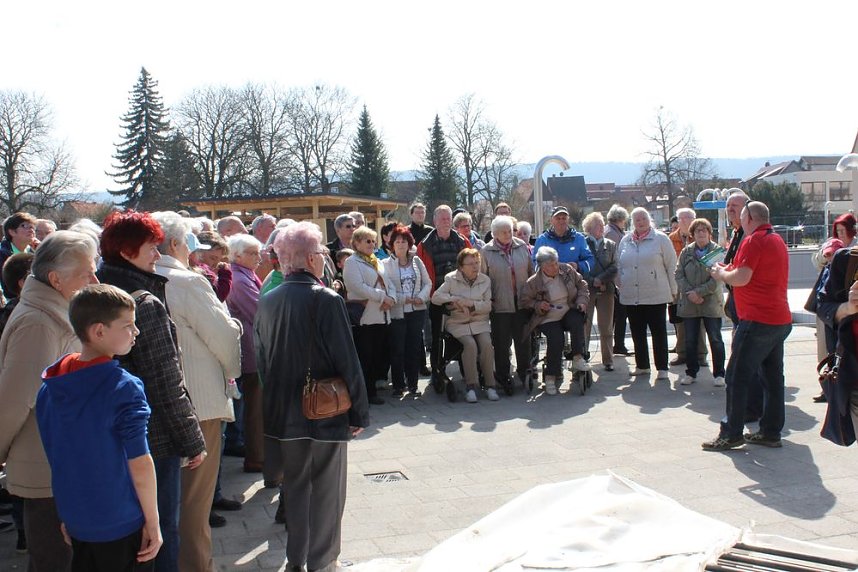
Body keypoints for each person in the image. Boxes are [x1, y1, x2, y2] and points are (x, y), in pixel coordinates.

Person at [254, 221, 370, 572]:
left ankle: (295, 560)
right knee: (327, 492)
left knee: (296, 489)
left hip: (284, 412)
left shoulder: (269, 298)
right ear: (308, 258)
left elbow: (262, 358)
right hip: (324, 409)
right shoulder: (326, 298)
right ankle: (323, 562)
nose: (324, 258)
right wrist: (359, 414)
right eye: (321, 253)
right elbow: (346, 359)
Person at [97, 211, 206, 572]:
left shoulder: (95, 294)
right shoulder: (143, 303)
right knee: (160, 531)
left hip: (108, 436)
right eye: (151, 247)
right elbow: (165, 381)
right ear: (127, 251)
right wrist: (192, 439)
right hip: (153, 440)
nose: (158, 255)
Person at [36, 284, 161, 572]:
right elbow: (140, 462)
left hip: (79, 518)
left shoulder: (51, 386)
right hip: (121, 520)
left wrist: (70, 512)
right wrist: (154, 522)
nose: (136, 332)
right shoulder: (123, 388)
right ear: (99, 331)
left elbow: (56, 455)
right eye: (128, 325)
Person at [0, 230, 98, 571]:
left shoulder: (52, 311)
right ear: (56, 279)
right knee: (54, 560)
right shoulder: (39, 323)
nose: (95, 279)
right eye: (87, 272)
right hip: (45, 469)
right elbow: (13, 401)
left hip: (60, 463)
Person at [152, 212, 242, 570]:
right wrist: (232, 372)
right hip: (198, 404)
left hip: (162, 403)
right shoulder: (187, 282)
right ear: (175, 243)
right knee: (193, 502)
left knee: (165, 498)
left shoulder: (141, 277)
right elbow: (222, 336)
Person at [704, 201, 792, 451]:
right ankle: (770, 431)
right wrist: (727, 268)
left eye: (742, 217)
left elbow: (742, 277)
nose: (739, 221)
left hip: (757, 320)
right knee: (773, 378)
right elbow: (746, 270)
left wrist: (721, 274)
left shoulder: (754, 240)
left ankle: (731, 433)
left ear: (750, 218)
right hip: (778, 319)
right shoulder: (775, 239)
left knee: (736, 376)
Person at [417, 205, 471, 401]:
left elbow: (472, 266)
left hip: (460, 296)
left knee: (464, 332)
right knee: (437, 338)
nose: (445, 221)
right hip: (437, 298)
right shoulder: (425, 245)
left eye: (448, 218)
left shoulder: (462, 241)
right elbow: (422, 274)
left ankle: (467, 370)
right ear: (435, 221)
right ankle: (437, 371)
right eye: (441, 218)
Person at [616, 208, 677, 380]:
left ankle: (662, 367)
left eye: (643, 218)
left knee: (658, 331)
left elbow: (671, 266)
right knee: (637, 331)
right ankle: (642, 365)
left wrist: (674, 290)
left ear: (649, 219)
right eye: (636, 220)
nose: (640, 222)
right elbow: (619, 264)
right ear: (632, 223)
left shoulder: (661, 239)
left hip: (656, 294)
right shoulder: (626, 240)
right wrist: (620, 282)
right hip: (631, 295)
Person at [520, 246, 591, 395]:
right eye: (550, 265)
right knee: (556, 338)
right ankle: (551, 377)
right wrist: (538, 305)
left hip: (568, 308)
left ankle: (578, 357)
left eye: (555, 263)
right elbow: (524, 301)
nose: (554, 267)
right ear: (542, 266)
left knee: (577, 320)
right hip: (547, 316)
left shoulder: (567, 270)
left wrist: (582, 301)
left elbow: (582, 285)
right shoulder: (533, 282)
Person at [431, 248, 497, 403]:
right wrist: (454, 299)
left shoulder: (485, 280)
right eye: (471, 264)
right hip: (458, 322)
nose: (475, 267)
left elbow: (488, 305)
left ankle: (490, 385)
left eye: (477, 263)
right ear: (461, 267)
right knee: (470, 344)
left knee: (487, 344)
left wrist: (471, 304)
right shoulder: (451, 278)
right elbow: (435, 297)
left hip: (479, 321)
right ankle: (471, 386)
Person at [722, 190, 764, 421]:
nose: (731, 210)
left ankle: (750, 409)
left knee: (746, 360)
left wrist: (724, 273)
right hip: (739, 303)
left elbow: (745, 273)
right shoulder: (738, 233)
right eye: (728, 206)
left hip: (751, 307)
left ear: (748, 210)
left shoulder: (752, 238)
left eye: (735, 206)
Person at [343, 226, 396, 405]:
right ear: (356, 243)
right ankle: (366, 393)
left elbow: (388, 282)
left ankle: (372, 389)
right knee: (365, 355)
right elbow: (357, 287)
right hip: (365, 317)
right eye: (367, 241)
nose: (372, 244)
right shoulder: (352, 262)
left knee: (377, 354)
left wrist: (392, 298)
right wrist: (383, 297)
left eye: (373, 241)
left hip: (381, 315)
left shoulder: (376, 260)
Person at [226, 234, 265, 473]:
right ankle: (256, 457)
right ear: (237, 255)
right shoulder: (239, 280)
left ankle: (258, 455)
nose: (258, 258)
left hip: (253, 347)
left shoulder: (245, 275)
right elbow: (259, 311)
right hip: (250, 351)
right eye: (252, 253)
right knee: (255, 408)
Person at [481, 215, 533, 387]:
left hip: (521, 302)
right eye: (503, 232)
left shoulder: (522, 247)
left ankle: (524, 372)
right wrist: (490, 300)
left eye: (510, 230)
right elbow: (483, 279)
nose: (508, 234)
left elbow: (531, 273)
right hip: (499, 304)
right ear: (495, 234)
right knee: (501, 343)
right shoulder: (487, 251)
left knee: (523, 340)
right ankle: (503, 376)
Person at [674, 218, 726, 387]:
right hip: (690, 303)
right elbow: (678, 274)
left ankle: (719, 374)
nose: (701, 233)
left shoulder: (716, 251)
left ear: (710, 233)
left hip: (711, 302)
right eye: (697, 231)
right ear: (692, 234)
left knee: (715, 339)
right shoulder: (686, 252)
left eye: (704, 230)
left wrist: (700, 292)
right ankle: (691, 372)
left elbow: (717, 279)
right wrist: (690, 292)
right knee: (690, 340)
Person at [382, 225, 431, 397]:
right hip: (397, 312)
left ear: (409, 243)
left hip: (417, 310)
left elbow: (428, 282)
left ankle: (413, 384)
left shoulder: (417, 261)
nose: (401, 244)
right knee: (397, 349)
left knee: (414, 348)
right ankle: (398, 385)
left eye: (404, 241)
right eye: (397, 241)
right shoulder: (386, 264)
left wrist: (421, 297)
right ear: (392, 244)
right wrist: (404, 299)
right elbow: (387, 287)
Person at [668, 208, 707, 367]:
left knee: (701, 321)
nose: (684, 221)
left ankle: (701, 355)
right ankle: (682, 353)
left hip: (699, 285)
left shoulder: (701, 237)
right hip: (678, 285)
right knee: (680, 322)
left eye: (688, 218)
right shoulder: (670, 239)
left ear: (694, 219)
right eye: (681, 218)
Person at [581, 212, 618, 371]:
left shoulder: (610, 245)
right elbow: (580, 266)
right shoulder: (582, 243)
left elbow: (615, 266)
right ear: (589, 228)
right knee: (585, 326)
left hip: (606, 289)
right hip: (587, 290)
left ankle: (608, 360)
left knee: (606, 326)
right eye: (598, 225)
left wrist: (601, 279)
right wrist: (592, 281)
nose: (602, 228)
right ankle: (583, 357)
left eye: (602, 224)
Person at [533, 206, 593, 275]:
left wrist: (578, 266)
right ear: (551, 221)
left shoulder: (579, 238)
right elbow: (535, 263)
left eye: (564, 218)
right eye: (558, 218)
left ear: (568, 220)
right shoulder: (542, 240)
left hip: (573, 281)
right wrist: (548, 269)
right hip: (549, 283)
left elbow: (590, 261)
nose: (561, 221)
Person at [605, 204, 630, 356]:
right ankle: (618, 345)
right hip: (615, 281)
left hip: (614, 280)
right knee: (619, 314)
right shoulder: (612, 234)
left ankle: (618, 344)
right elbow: (616, 259)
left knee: (617, 315)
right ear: (620, 219)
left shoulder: (613, 231)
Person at [1, 212, 38, 298]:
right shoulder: (2, 254)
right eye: (24, 226)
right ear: (12, 232)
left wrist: (42, 251)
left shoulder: (35, 252)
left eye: (32, 227)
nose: (31, 230)